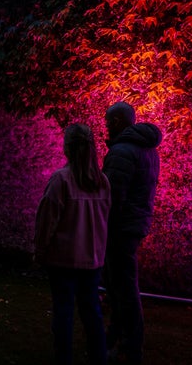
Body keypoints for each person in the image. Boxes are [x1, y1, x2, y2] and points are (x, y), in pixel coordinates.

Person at [35, 123, 111, 365]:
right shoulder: (102, 182)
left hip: (63, 259)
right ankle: (99, 358)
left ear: (67, 147)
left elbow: (47, 221)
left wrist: (40, 250)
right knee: (92, 313)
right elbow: (105, 219)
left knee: (64, 312)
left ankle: (64, 358)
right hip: (93, 259)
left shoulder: (61, 180)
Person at [102, 102, 162, 364]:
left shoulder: (122, 152)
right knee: (120, 285)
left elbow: (111, 198)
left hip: (121, 228)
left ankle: (130, 346)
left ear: (116, 122)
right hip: (135, 224)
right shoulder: (148, 150)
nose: (105, 126)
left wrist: (101, 228)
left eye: (107, 121)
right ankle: (115, 338)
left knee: (123, 288)